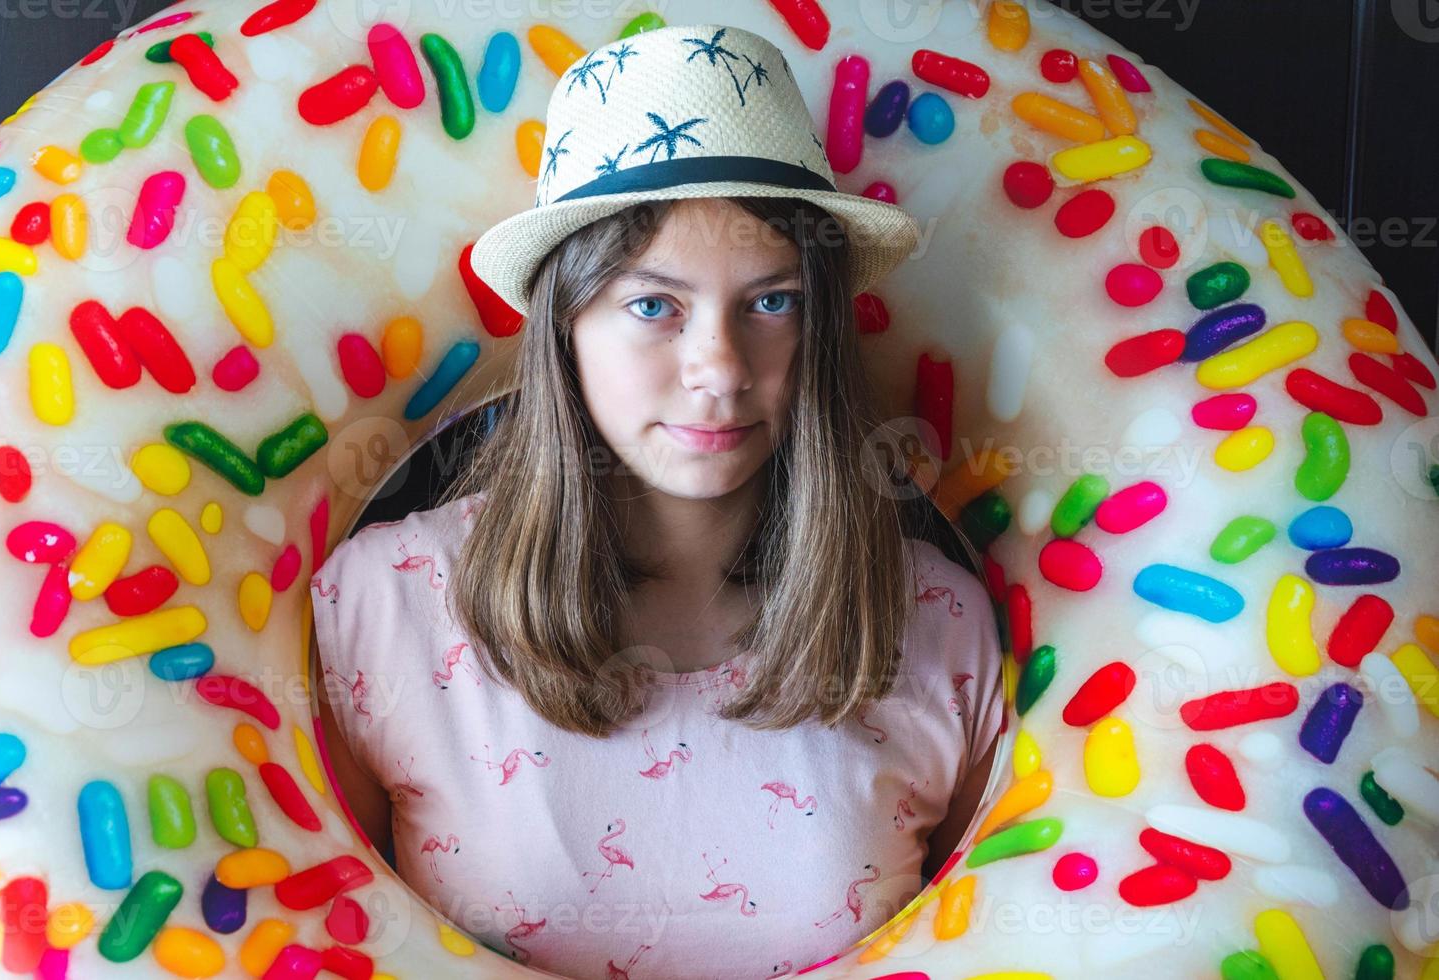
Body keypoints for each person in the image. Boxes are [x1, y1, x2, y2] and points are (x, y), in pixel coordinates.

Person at [309, 22, 1006, 979]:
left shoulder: (936, 624)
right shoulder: (387, 607)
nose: (719, 370)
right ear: (567, 325)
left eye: (772, 301)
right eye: (653, 305)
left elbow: (993, 929)